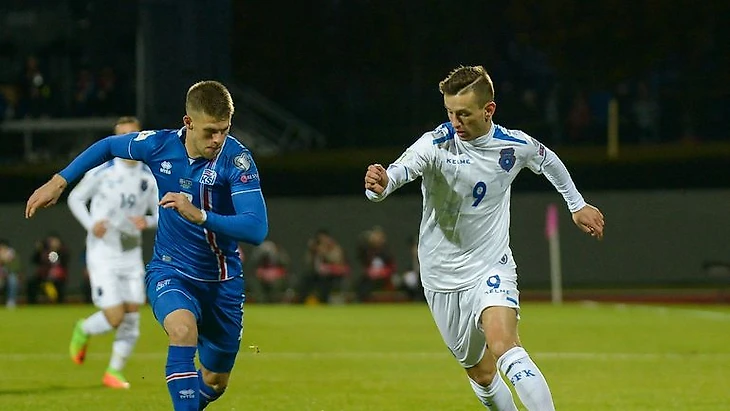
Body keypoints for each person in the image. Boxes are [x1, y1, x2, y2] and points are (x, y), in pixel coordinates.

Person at [364, 65, 605, 411]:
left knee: (504, 344)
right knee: (481, 374)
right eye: (449, 112)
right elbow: (396, 175)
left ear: (488, 110)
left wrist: (576, 204)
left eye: (463, 114)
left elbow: (547, 159)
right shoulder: (435, 144)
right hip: (441, 275)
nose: (455, 122)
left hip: (491, 264)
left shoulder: (513, 145)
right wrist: (381, 184)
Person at [25, 80, 269, 411]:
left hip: (223, 283)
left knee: (214, 380)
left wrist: (201, 216)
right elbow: (108, 145)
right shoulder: (159, 145)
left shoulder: (236, 160)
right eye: (211, 131)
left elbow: (256, 228)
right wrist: (59, 181)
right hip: (171, 271)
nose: (218, 140)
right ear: (188, 122)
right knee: (182, 331)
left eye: (224, 130)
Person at [66, 116, 159, 389]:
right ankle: (84, 329)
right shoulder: (101, 171)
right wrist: (91, 224)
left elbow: (160, 212)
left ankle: (113, 372)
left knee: (132, 317)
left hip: (131, 254)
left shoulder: (148, 176)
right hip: (104, 253)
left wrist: (149, 222)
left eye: (132, 135)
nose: (126, 141)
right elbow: (75, 198)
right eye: (121, 136)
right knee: (116, 316)